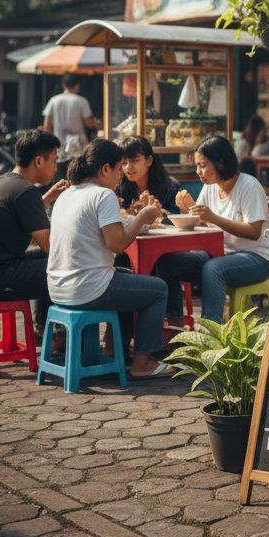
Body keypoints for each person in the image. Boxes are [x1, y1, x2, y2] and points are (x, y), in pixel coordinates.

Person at [46, 139, 172, 378]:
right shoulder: (103, 195)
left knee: (127, 279)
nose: (120, 175)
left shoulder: (66, 195)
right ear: (105, 169)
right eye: (118, 168)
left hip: (57, 289)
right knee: (159, 289)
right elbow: (118, 243)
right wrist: (142, 217)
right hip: (88, 288)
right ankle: (142, 363)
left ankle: (116, 349)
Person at [0, 129, 70, 340]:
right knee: (63, 266)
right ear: (38, 161)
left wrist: (47, 197)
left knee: (50, 261)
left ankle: (42, 329)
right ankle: (57, 336)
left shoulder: (5, 181)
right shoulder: (26, 191)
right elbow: (49, 244)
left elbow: (22, 213)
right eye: (54, 161)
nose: (56, 167)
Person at [157, 136, 269, 324]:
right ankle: (175, 330)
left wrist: (214, 218)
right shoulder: (210, 188)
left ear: (220, 163)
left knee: (213, 269)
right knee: (166, 263)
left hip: (257, 258)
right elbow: (204, 225)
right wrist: (189, 211)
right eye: (197, 166)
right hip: (220, 255)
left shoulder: (249, 186)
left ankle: (209, 337)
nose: (198, 172)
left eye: (202, 165)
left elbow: (254, 231)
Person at [43, 73, 101, 181]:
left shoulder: (53, 101)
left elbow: (47, 125)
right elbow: (88, 122)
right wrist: (99, 125)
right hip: (78, 147)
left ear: (64, 85)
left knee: (61, 178)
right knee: (78, 178)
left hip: (59, 145)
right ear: (77, 86)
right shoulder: (81, 101)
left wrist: (48, 144)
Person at [115, 135, 181, 213]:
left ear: (149, 160)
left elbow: (177, 218)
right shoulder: (119, 187)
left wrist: (159, 214)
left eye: (134, 161)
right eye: (124, 163)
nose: (128, 167)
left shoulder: (169, 186)